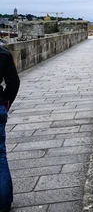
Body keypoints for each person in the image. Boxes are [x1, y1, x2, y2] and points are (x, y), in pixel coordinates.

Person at [0, 45, 20, 212]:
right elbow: (13, 82)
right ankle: (4, 202)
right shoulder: (4, 53)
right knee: (0, 155)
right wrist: (5, 102)